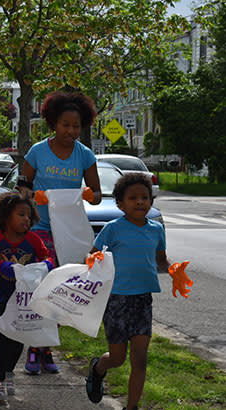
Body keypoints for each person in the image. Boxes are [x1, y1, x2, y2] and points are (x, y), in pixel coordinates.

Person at [17, 90, 102, 375]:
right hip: (39, 230)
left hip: (68, 233)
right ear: (53, 124)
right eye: (65, 124)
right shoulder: (38, 152)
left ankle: (48, 350)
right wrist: (32, 196)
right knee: (39, 289)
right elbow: (22, 187)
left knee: (60, 293)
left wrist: (90, 194)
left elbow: (99, 195)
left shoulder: (85, 155)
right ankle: (33, 350)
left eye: (76, 126)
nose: (71, 130)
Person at [86, 173, 171, 410]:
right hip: (116, 300)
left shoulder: (156, 230)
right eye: (133, 198)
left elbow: (161, 261)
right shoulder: (113, 229)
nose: (140, 202)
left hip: (143, 301)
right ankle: (98, 368)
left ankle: (131, 407)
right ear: (120, 204)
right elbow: (91, 255)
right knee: (117, 358)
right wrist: (95, 258)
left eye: (145, 197)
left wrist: (174, 270)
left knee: (140, 359)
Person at [0, 192, 54, 404]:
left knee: (19, 341)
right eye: (21, 214)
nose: (26, 219)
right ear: (5, 216)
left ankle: (10, 372)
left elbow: (48, 256)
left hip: (26, 300)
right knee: (4, 339)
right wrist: (0, 265)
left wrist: (48, 264)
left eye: (29, 216)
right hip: (4, 298)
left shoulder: (33, 239)